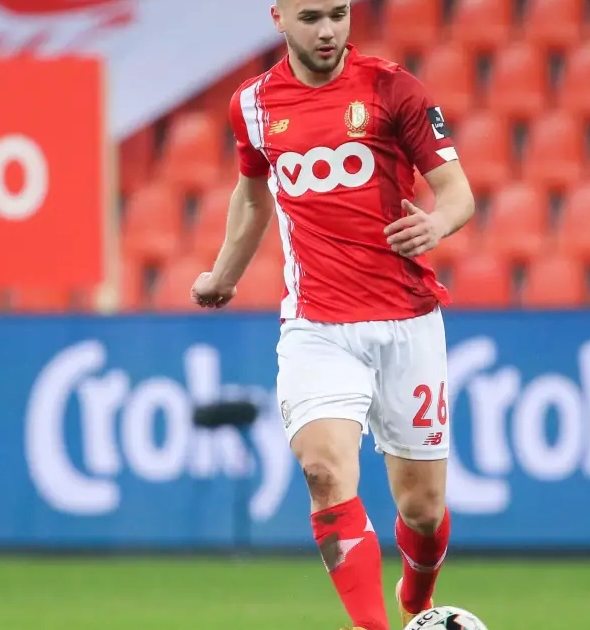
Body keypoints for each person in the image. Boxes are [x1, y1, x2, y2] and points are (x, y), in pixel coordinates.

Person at [190, 2, 475, 629]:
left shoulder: (392, 89)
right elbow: (253, 195)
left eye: (339, 14)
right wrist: (223, 276)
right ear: (279, 18)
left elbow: (458, 192)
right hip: (316, 326)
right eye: (312, 17)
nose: (327, 31)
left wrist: (437, 224)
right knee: (323, 472)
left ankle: (417, 600)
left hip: (406, 322)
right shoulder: (253, 105)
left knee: (423, 508)